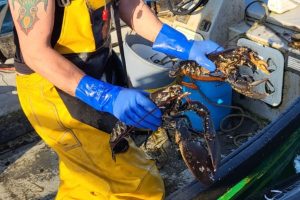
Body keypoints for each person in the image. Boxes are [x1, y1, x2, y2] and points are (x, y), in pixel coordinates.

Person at [8, 0, 222, 199]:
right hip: (55, 89)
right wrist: (106, 97)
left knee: (87, 172)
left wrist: (183, 45)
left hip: (97, 69)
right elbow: (35, 53)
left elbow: (129, 4)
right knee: (135, 186)